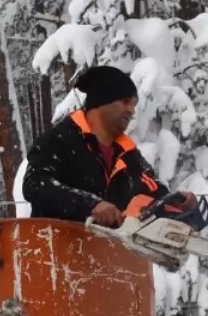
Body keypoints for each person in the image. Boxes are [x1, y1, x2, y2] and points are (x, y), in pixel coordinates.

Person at [20, 65, 195, 227]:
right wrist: (91, 205)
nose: (132, 110)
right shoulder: (59, 140)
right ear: (103, 101)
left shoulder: (129, 155)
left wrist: (176, 202)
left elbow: (152, 189)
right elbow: (35, 184)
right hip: (55, 250)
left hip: (110, 256)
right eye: (125, 101)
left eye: (134, 104)